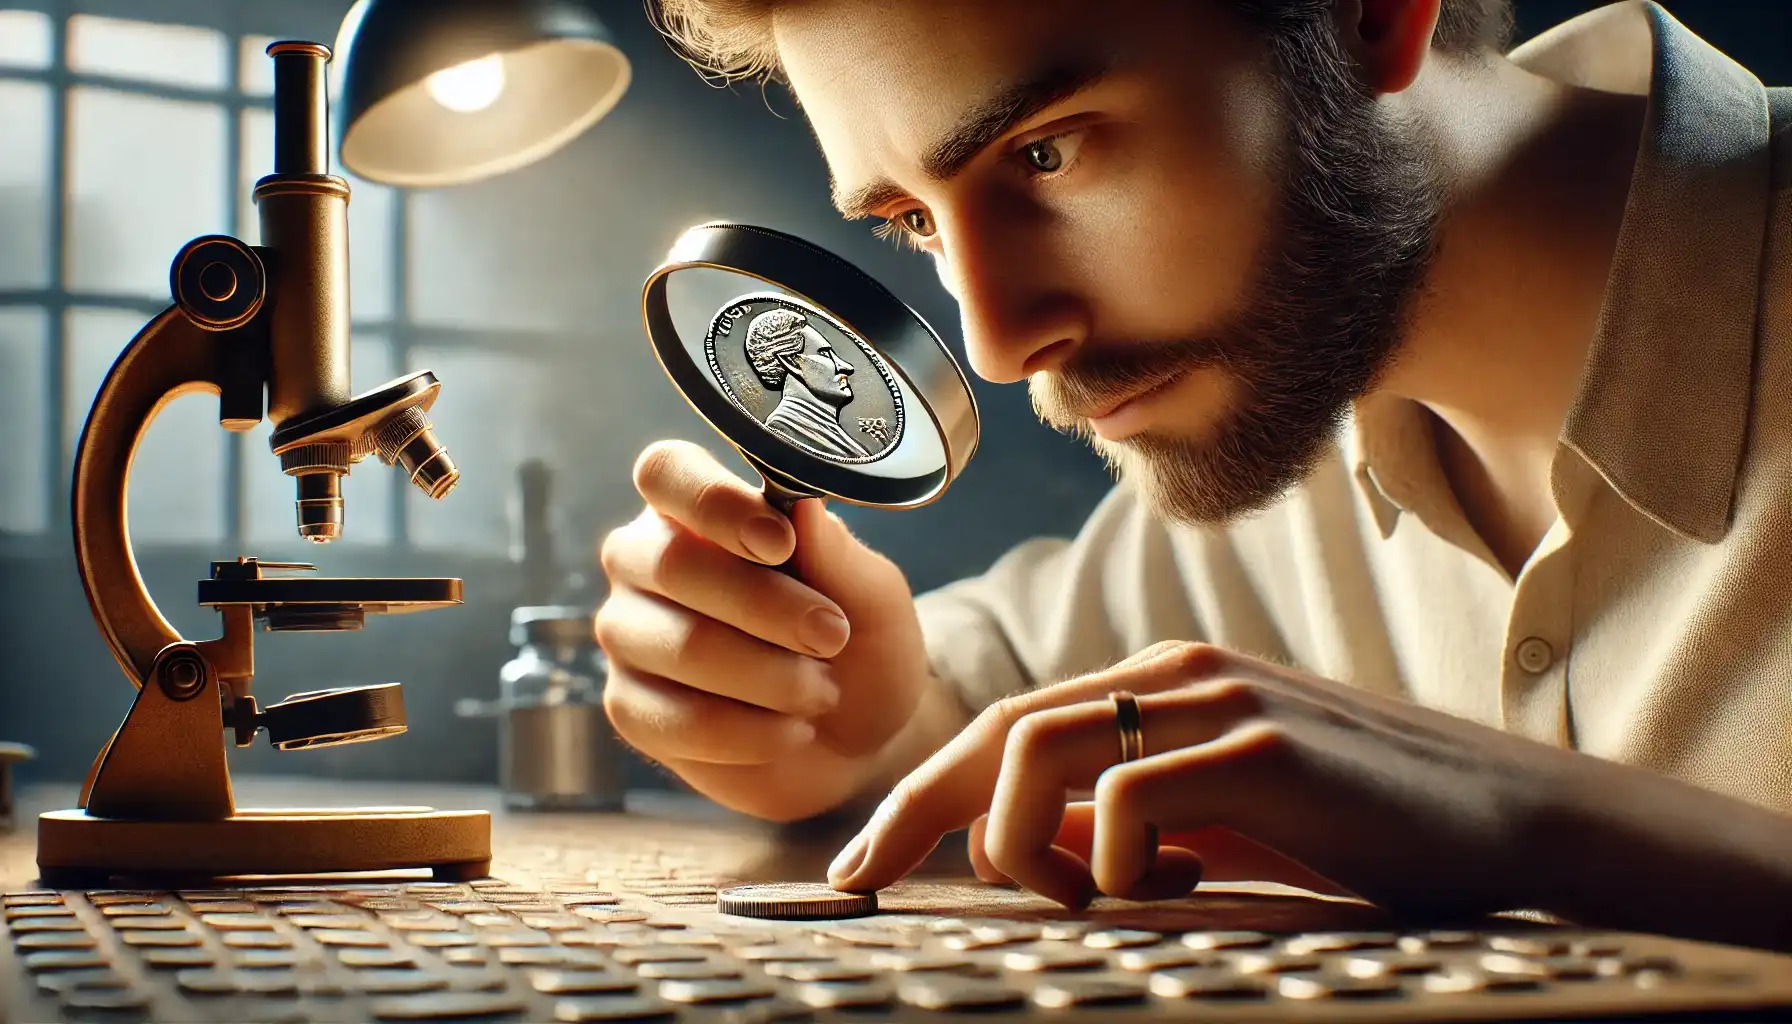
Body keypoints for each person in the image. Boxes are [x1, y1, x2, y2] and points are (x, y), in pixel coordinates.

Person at [595, 0, 1792, 950]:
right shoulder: (1293, 407)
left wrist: (1543, 824)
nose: (1000, 346)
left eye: (1047, 152)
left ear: (1371, 14)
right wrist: (841, 709)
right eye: (913, 220)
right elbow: (977, 688)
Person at [741, 306, 872, 460]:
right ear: (792, 363)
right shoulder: (784, 429)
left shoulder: (831, 435)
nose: (846, 367)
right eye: (824, 353)